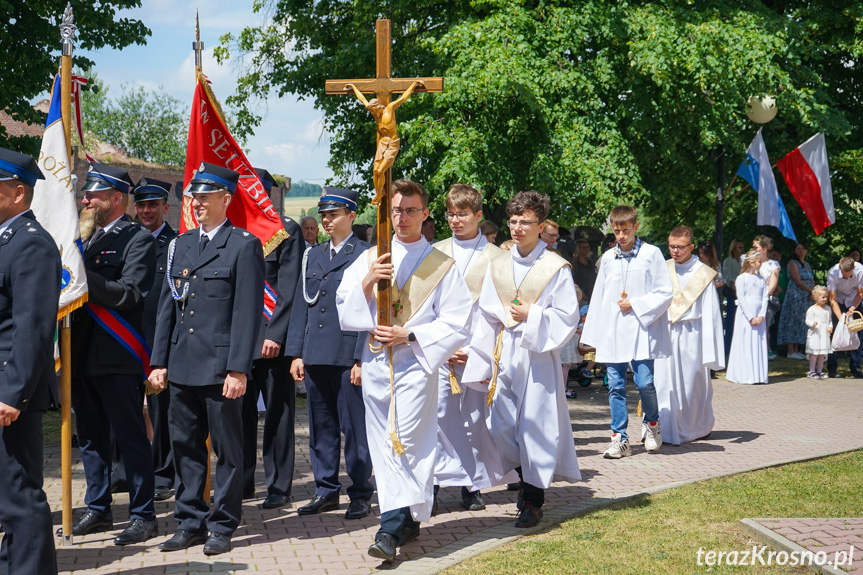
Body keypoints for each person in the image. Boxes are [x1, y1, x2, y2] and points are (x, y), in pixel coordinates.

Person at [336, 179, 471, 563]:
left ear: (426, 214)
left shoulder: (441, 265)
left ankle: (390, 527)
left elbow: (458, 322)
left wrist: (410, 333)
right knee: (382, 445)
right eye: (396, 210)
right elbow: (344, 306)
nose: (403, 217)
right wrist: (368, 281)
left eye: (411, 210)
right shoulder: (372, 256)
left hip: (416, 366)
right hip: (378, 364)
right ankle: (408, 517)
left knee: (406, 441)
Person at [149, 163, 264, 555]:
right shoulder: (179, 245)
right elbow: (169, 307)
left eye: (205, 195)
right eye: (194, 196)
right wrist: (158, 361)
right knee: (184, 446)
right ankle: (189, 520)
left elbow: (247, 313)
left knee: (228, 450)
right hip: (182, 364)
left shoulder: (242, 245)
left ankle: (223, 524)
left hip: (220, 368)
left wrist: (238, 368)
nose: (196, 202)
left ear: (225, 199)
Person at [462, 190, 581, 529]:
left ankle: (532, 500)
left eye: (525, 222)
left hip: (537, 353)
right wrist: (482, 359)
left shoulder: (554, 267)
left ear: (540, 225)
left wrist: (534, 314)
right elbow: (485, 313)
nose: (516, 228)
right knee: (500, 424)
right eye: (512, 221)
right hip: (504, 350)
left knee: (534, 427)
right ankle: (526, 477)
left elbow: (566, 317)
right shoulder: (498, 263)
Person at [70, 161, 158, 544]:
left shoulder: (137, 238)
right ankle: (98, 508)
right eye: (86, 194)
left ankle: (143, 514)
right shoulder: (81, 237)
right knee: (89, 436)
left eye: (94, 194)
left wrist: (81, 274)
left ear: (116, 198)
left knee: (128, 435)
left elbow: (130, 292)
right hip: (81, 349)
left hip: (116, 351)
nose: (86, 199)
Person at [286, 187, 374, 519]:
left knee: (354, 429)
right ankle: (326, 489)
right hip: (315, 353)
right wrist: (296, 353)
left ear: (351, 216)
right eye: (323, 214)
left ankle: (361, 491)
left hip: (346, 353)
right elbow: (302, 306)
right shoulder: (314, 254)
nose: (326, 219)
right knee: (320, 427)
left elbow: (367, 310)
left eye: (333, 214)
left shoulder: (365, 254)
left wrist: (359, 358)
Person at [0, 148, 60, 575]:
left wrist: (12, 393)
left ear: (19, 193)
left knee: (19, 496)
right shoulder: (7, 240)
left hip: (10, 393)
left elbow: (33, 329)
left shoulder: (31, 244)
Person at [432, 184, 508, 514]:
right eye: (450, 213)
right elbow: (425, 307)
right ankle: (431, 484)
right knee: (434, 417)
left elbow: (498, 312)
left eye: (462, 214)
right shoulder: (433, 252)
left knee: (475, 419)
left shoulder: (497, 258)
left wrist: (474, 350)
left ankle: (471, 483)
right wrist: (442, 345)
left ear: (478, 215)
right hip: (438, 351)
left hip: (477, 350)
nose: (455, 220)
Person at [581, 205, 672, 459]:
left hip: (642, 328)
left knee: (644, 383)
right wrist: (592, 334)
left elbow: (665, 292)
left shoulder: (652, 254)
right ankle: (619, 437)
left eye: (625, 230)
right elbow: (599, 295)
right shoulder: (608, 258)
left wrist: (636, 303)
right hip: (614, 330)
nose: (621, 235)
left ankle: (652, 423)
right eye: (616, 230)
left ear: (636, 226)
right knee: (616, 385)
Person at [241, 168, 304, 509]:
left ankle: (279, 485)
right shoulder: (235, 231)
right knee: (239, 416)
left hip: (271, 341)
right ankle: (244, 480)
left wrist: (277, 334)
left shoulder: (286, 230)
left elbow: (289, 286)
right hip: (239, 341)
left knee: (277, 416)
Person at [654, 227, 724, 445]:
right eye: (671, 246)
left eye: (680, 247)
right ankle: (663, 429)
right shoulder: (663, 269)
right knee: (664, 383)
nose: (674, 251)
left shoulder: (702, 273)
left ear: (691, 247)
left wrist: (710, 346)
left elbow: (712, 313)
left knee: (693, 383)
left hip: (693, 334)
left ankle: (697, 427)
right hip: (666, 331)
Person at [134, 178, 178, 502]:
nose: (147, 211)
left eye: (153, 205)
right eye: (141, 205)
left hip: (159, 340)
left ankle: (164, 474)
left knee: (161, 411)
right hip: (125, 339)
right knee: (125, 408)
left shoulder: (177, 244)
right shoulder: (128, 240)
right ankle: (126, 472)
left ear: (166, 207)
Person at [726, 250, 769, 384]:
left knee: (758, 342)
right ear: (751, 262)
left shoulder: (761, 279)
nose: (760, 264)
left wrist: (761, 315)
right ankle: (745, 374)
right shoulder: (742, 278)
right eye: (758, 262)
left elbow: (765, 297)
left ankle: (758, 375)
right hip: (746, 314)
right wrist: (751, 317)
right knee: (745, 341)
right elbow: (742, 298)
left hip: (759, 313)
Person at [826, 256, 863, 378]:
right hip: (838, 301)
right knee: (835, 332)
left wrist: (852, 308)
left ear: (854, 268)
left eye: (849, 274)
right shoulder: (833, 272)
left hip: (854, 301)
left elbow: (860, 293)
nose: (846, 276)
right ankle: (832, 368)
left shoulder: (860, 270)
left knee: (857, 334)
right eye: (844, 274)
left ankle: (856, 368)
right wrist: (842, 319)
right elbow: (832, 299)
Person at [777, 242, 814, 360]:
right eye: (799, 249)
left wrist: (814, 291)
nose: (801, 251)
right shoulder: (793, 263)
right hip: (796, 296)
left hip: (806, 298)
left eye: (803, 248)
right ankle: (791, 350)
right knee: (792, 321)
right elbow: (798, 281)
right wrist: (811, 291)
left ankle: (797, 349)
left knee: (801, 322)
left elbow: (812, 279)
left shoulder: (807, 264)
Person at [753, 235, 780, 360]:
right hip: (751, 299)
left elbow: (772, 286)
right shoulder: (750, 262)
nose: (753, 249)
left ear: (764, 248)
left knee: (765, 326)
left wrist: (761, 298)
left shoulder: (773, 264)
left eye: (755, 247)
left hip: (765, 300)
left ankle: (765, 349)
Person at [722, 239, 745, 353]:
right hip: (733, 295)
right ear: (733, 248)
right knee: (731, 321)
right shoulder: (728, 261)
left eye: (742, 247)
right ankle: (727, 348)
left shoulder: (743, 262)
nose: (741, 250)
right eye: (739, 247)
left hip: (743, 296)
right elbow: (728, 279)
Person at [805, 286, 832, 379]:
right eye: (823, 297)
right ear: (816, 298)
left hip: (824, 334)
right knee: (814, 353)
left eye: (826, 297)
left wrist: (830, 327)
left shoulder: (828, 308)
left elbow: (830, 320)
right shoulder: (812, 309)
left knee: (822, 353)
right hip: (815, 334)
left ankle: (820, 371)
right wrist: (813, 323)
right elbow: (807, 321)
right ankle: (811, 371)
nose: (825, 299)